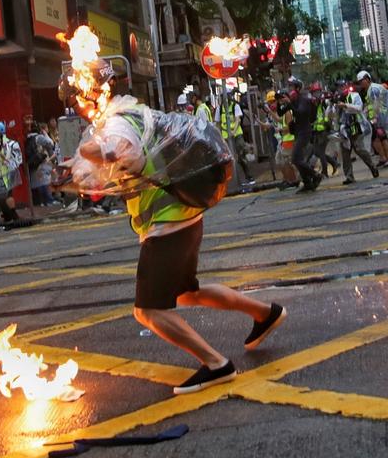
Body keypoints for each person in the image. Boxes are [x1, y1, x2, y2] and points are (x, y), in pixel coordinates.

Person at [64, 60, 286, 395]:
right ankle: (265, 313)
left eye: (76, 100)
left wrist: (85, 150)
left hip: (167, 227)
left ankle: (216, 364)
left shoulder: (118, 122)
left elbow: (122, 150)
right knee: (186, 293)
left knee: (149, 311)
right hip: (184, 217)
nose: (76, 108)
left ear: (91, 94)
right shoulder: (136, 113)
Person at [337, 79, 379, 185]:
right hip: (344, 129)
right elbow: (334, 114)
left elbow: (359, 108)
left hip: (356, 126)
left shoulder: (354, 95)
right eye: (339, 87)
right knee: (345, 153)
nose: (341, 89)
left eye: (342, 86)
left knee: (359, 149)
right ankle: (349, 176)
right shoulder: (337, 98)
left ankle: (372, 166)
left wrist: (346, 105)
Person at [0, 126, 20, 229]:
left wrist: (3, 155)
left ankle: (10, 220)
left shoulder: (10, 146)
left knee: (4, 199)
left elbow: (16, 161)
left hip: (5, 176)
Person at [356, 70, 388, 165]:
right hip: (383, 117)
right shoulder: (374, 88)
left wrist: (375, 121)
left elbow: (376, 106)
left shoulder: (373, 89)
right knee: (381, 138)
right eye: (359, 82)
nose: (360, 84)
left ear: (367, 79)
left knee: (383, 138)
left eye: (361, 81)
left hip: (383, 118)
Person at [309, 82, 339, 177]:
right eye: (314, 92)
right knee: (316, 152)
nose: (316, 94)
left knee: (320, 152)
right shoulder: (315, 102)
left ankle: (325, 172)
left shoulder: (324, 102)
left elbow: (329, 114)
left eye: (317, 92)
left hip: (323, 131)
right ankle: (333, 163)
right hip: (317, 131)